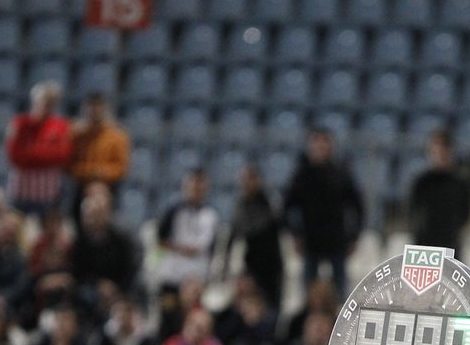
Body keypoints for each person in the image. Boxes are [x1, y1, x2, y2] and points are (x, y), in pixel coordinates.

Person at [284, 129, 363, 297]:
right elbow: (288, 207)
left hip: (336, 240)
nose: (320, 147)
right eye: (316, 143)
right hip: (310, 241)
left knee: (339, 291)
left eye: (324, 143)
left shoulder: (341, 174)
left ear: (331, 146)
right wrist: (295, 234)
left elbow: (357, 206)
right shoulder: (302, 175)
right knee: (308, 291)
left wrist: (354, 236)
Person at [4, 82, 74, 215]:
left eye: (51, 102)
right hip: (21, 192)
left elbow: (62, 155)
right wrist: (45, 154)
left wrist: (30, 154)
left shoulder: (61, 125)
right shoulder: (19, 123)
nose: (46, 105)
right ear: (34, 100)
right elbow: (15, 156)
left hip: (49, 193)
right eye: (43, 100)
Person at [225, 164, 284, 309]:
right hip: (251, 265)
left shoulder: (269, 202)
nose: (247, 183)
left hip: (271, 265)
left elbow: (276, 223)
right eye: (244, 180)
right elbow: (234, 234)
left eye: (250, 179)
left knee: (271, 306)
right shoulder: (240, 205)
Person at [406, 131, 470, 256]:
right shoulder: (421, 182)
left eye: (442, 152)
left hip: (450, 245)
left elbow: (465, 213)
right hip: (423, 246)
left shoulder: (460, 184)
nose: (438, 157)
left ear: (450, 152)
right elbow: (413, 211)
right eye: (435, 152)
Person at [153, 169, 218, 293]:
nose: (196, 192)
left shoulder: (210, 215)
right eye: (193, 187)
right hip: (172, 273)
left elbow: (208, 247)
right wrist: (181, 249)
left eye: (200, 188)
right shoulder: (173, 211)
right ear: (185, 187)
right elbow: (160, 241)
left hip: (198, 274)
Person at [68, 93, 130, 209]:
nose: (94, 113)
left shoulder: (117, 136)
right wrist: (90, 174)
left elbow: (121, 168)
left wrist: (101, 174)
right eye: (91, 109)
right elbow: (69, 165)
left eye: (98, 109)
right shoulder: (76, 135)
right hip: (81, 187)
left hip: (109, 187)